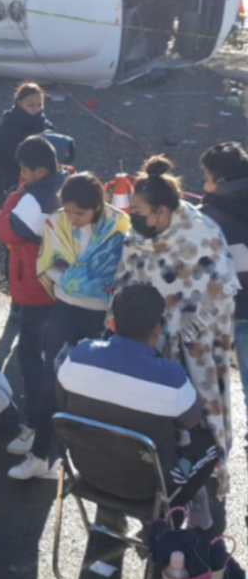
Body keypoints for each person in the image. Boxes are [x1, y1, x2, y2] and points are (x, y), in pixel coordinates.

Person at [117, 156, 240, 497]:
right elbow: (128, 275)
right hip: (150, 334)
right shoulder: (138, 232)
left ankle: (206, 465)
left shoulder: (200, 233)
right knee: (156, 405)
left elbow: (222, 285)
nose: (134, 215)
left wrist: (183, 322)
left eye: (139, 209)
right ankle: (162, 463)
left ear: (161, 210)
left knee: (202, 404)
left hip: (201, 338)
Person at [57, 284, 221, 524]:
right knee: (209, 443)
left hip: (87, 472)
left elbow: (62, 403)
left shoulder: (78, 356)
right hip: (148, 487)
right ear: (157, 331)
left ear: (112, 324)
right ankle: (183, 518)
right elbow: (191, 421)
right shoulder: (172, 378)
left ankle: (108, 529)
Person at [9, 172, 128, 480]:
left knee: (90, 387)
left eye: (80, 213)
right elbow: (49, 259)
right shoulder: (57, 221)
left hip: (98, 316)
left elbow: (124, 270)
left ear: (98, 207)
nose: (73, 218)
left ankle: (74, 462)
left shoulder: (119, 226)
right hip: (64, 309)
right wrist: (82, 282)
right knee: (53, 379)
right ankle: (39, 455)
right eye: (70, 211)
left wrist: (77, 280)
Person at [0, 136, 68, 457]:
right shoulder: (67, 185)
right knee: (55, 356)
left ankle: (35, 427)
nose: (22, 175)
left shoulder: (32, 198)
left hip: (35, 288)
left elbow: (6, 230)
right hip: (60, 288)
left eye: (25, 170)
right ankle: (55, 421)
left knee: (31, 360)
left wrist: (13, 197)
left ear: (39, 170)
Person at [199, 142, 248, 472]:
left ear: (218, 179)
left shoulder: (210, 218)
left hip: (225, 314)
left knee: (212, 389)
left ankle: (213, 456)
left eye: (206, 177)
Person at [0, 83, 54, 228]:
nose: (35, 109)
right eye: (30, 105)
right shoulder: (1, 133)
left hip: (44, 189)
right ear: (19, 104)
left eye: (39, 104)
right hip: (12, 189)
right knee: (15, 234)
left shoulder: (48, 129)